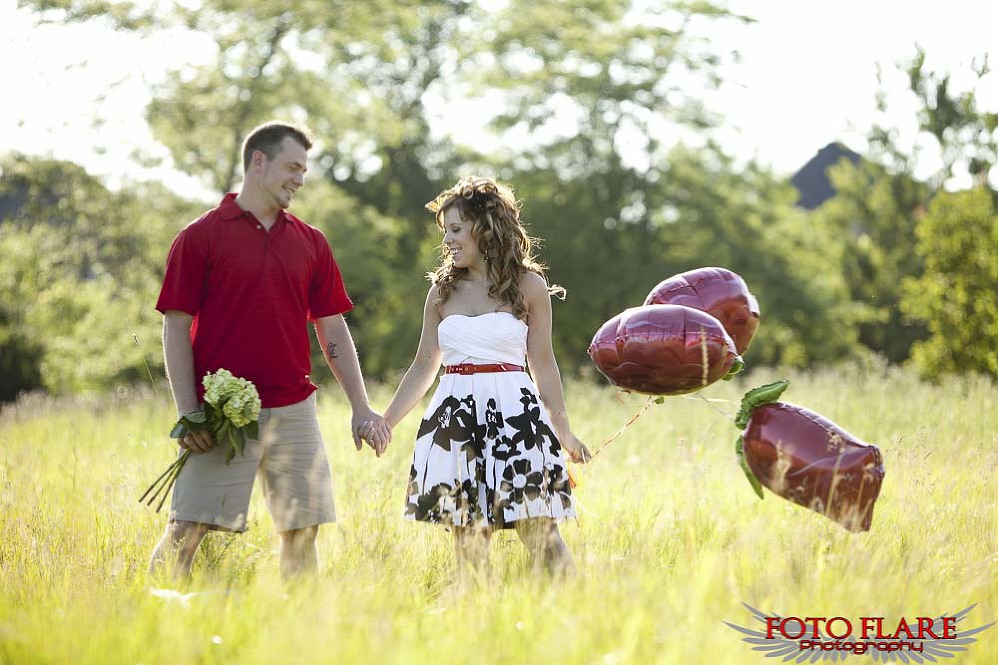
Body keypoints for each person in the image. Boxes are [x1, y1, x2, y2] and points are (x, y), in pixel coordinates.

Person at [149, 121, 390, 580]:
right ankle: (155, 618)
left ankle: (297, 635)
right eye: (292, 167)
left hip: (295, 408)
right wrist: (188, 411)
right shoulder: (200, 237)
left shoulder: (311, 241)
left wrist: (360, 405)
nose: (300, 178)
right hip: (223, 413)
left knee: (303, 530)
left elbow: (332, 327)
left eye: (304, 170)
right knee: (189, 526)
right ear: (258, 161)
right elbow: (175, 327)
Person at [371, 175, 591, 576]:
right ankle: (476, 624)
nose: (448, 241)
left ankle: (576, 614)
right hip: (454, 420)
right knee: (469, 538)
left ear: (485, 228)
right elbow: (424, 364)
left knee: (539, 531)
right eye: (445, 232)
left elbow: (543, 363)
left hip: (516, 420)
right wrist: (386, 421)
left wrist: (564, 431)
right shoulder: (440, 292)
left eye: (456, 229)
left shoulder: (528, 286)